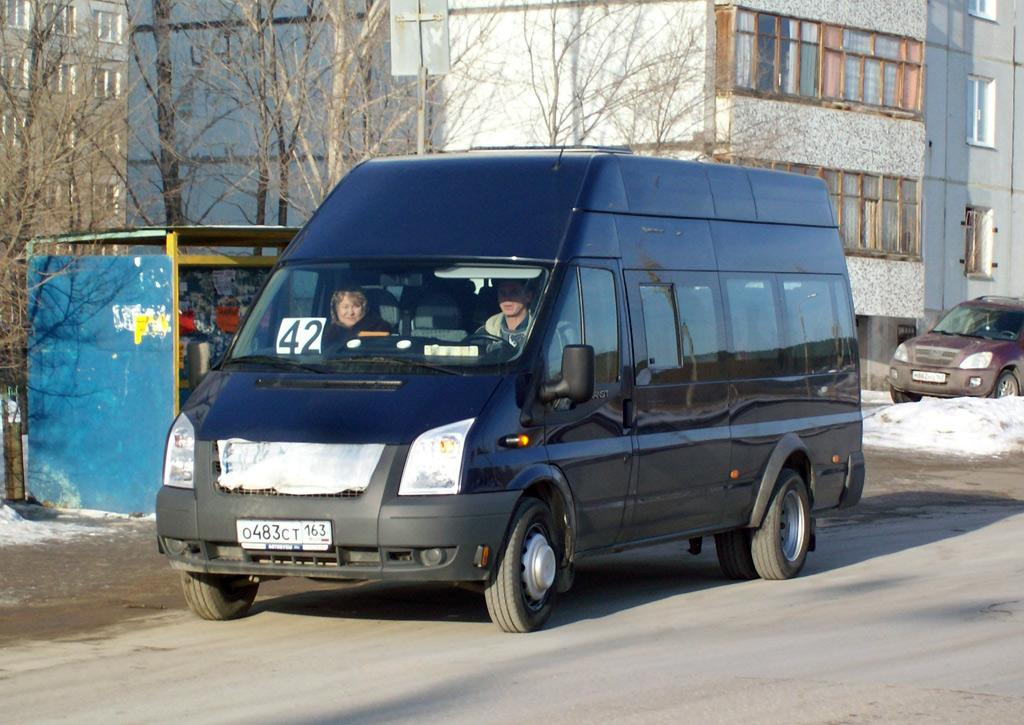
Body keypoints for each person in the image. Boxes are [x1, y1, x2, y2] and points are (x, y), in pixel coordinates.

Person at [323, 285, 392, 345]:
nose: (350, 312)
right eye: (345, 307)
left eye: (356, 306)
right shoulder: (327, 334)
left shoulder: (380, 329)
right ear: (336, 309)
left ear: (364, 308)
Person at [478, 278, 533, 349]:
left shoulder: (541, 329)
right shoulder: (486, 330)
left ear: (528, 296)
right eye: (502, 292)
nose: (507, 298)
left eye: (514, 292)